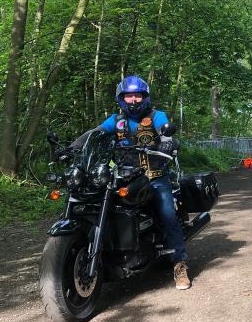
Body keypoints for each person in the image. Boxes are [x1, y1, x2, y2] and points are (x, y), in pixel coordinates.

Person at [69, 76, 190, 290]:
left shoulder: (156, 116)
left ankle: (180, 264)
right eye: (129, 96)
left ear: (144, 97)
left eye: (137, 95)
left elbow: (166, 132)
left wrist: (167, 143)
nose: (133, 100)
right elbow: (94, 134)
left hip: (154, 176)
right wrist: (72, 147)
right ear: (121, 98)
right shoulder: (116, 121)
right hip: (123, 176)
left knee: (168, 215)